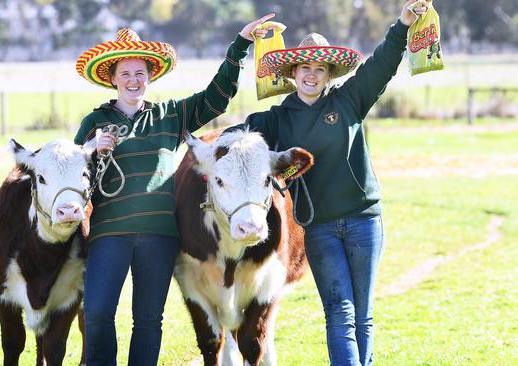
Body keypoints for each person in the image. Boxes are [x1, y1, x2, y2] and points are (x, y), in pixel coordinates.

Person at [227, 2, 427, 365]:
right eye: (305, 67)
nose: (312, 75)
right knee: (340, 312)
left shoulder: (350, 99)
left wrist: (404, 23)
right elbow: (231, 138)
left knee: (363, 315)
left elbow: (382, 63)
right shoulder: (276, 119)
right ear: (293, 72)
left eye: (320, 69)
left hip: (364, 222)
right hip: (318, 229)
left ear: (329, 73)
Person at [73, 14, 275, 366]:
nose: (133, 81)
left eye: (140, 73)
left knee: (149, 321)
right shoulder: (95, 122)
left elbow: (217, 98)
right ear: (112, 79)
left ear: (150, 77)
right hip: (110, 234)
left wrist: (240, 44)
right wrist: (91, 149)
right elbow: (75, 177)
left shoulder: (170, 115)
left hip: (159, 236)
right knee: (97, 314)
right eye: (126, 74)